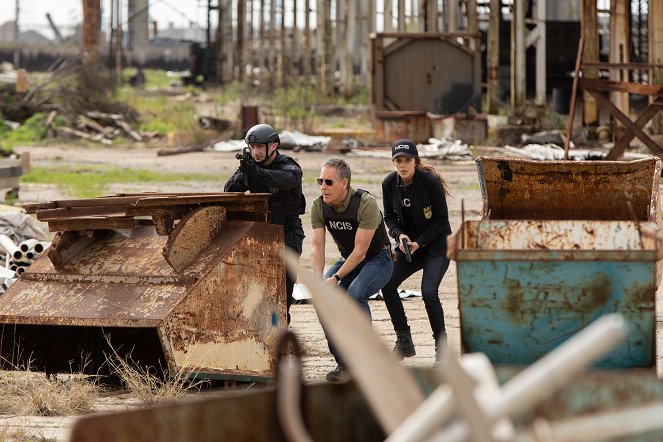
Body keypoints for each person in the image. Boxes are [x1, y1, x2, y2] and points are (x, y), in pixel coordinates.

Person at [311, 157, 393, 382]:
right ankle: (344, 364)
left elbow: (361, 251)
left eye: (328, 182)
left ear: (344, 183)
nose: (322, 187)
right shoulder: (319, 206)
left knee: (355, 293)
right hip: (349, 260)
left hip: (378, 259)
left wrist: (336, 277)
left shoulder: (365, 203)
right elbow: (317, 246)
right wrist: (319, 279)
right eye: (321, 181)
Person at [224, 123, 306, 325]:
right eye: (252, 148)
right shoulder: (252, 166)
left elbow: (286, 180)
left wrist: (257, 173)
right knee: (258, 286)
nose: (256, 152)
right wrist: (244, 174)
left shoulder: (288, 165)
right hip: (263, 233)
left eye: (260, 147)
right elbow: (229, 189)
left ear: (274, 145)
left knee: (283, 290)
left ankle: (281, 332)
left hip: (288, 233)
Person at [381, 139, 452, 364]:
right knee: (387, 284)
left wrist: (419, 243)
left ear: (415, 161)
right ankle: (404, 341)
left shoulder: (429, 182)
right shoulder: (389, 183)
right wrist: (399, 235)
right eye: (398, 161)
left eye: (407, 160)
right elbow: (389, 218)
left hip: (436, 246)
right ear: (393, 163)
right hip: (409, 245)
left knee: (429, 292)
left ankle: (442, 349)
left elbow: (441, 220)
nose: (403, 165)